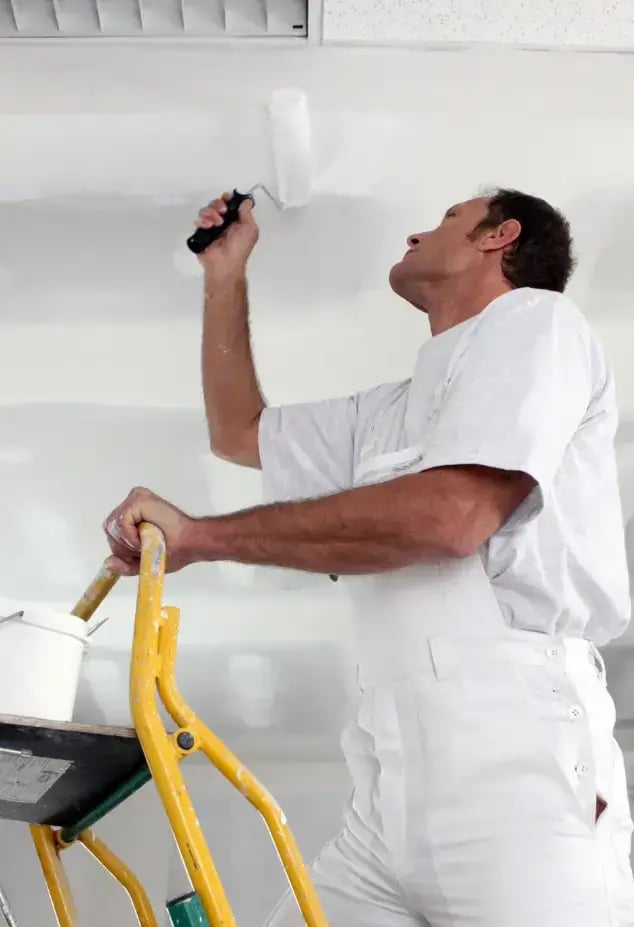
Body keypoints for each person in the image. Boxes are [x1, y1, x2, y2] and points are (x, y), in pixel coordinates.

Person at [104, 188, 634, 926]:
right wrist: (226, 272)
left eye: (448, 218)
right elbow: (238, 431)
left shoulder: (538, 323)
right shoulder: (390, 415)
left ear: (500, 237)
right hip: (390, 791)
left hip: (516, 784)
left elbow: (454, 517)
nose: (419, 229)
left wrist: (203, 537)